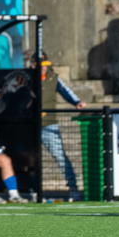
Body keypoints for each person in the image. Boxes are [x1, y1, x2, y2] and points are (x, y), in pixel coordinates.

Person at [39, 58, 85, 198]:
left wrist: (76, 102)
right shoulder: (27, 78)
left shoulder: (53, 78)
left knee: (60, 157)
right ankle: (31, 190)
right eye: (41, 66)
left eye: (46, 66)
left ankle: (73, 189)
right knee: (29, 158)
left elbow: (66, 91)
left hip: (48, 123)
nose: (44, 69)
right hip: (29, 124)